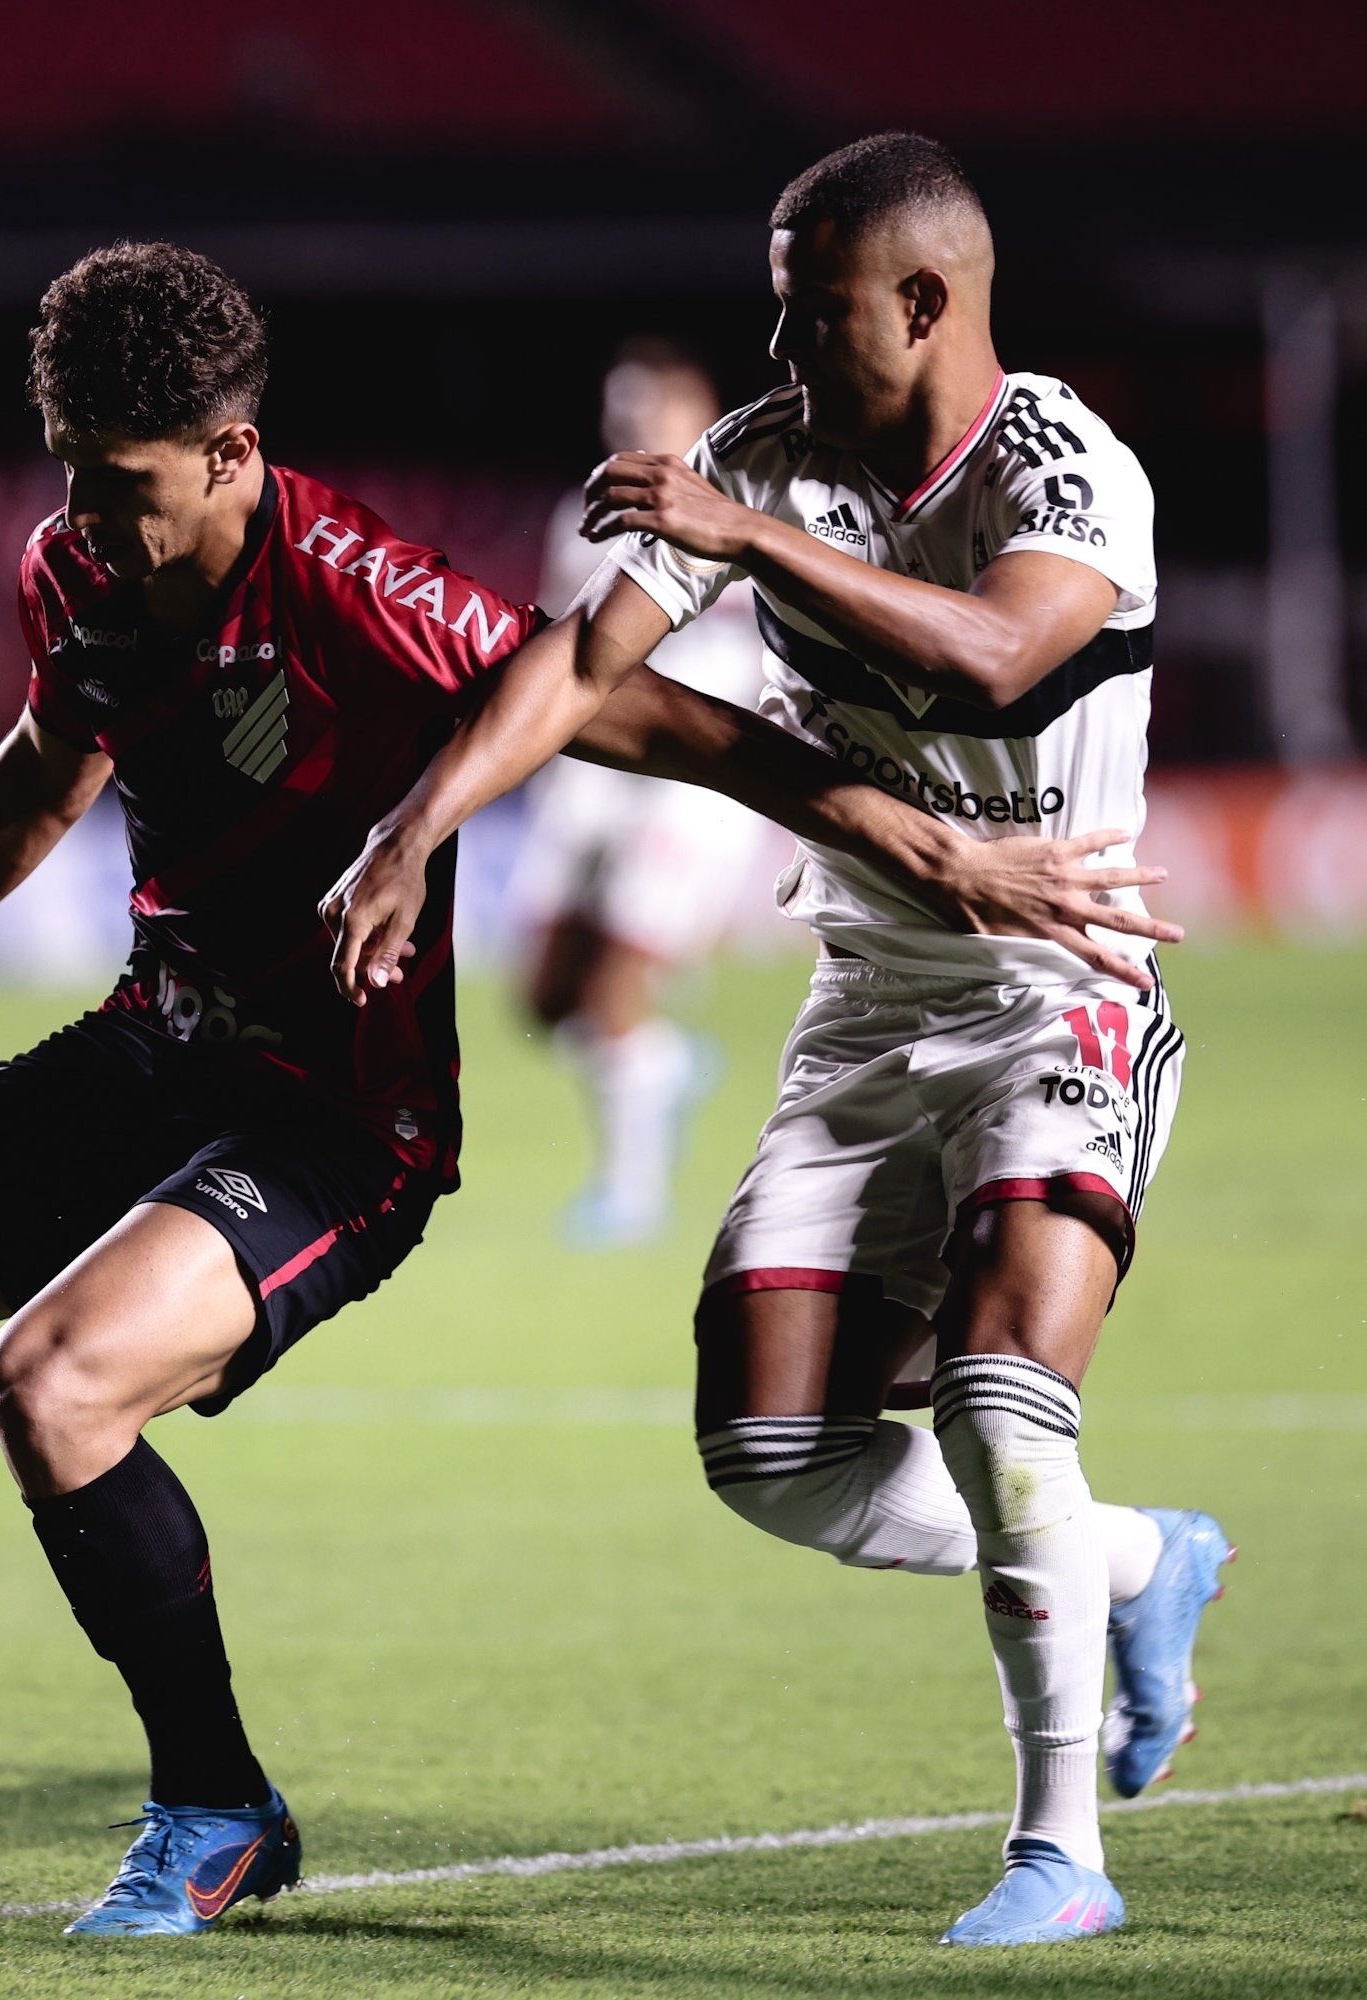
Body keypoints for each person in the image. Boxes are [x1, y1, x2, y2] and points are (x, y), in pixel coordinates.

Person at [0, 240, 1168, 1937]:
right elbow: (46, 756)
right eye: (81, 485)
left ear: (238, 459)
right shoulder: (74, 562)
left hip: (340, 1124)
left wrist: (920, 844)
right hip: (157, 1044)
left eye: (142, 493)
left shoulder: (355, 590)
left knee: (54, 1390)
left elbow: (631, 701)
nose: (107, 526)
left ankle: (216, 1808)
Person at [320, 135, 1223, 1949]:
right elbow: (582, 670)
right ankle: (1134, 1560)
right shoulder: (767, 449)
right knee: (766, 1454)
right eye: (775, 307)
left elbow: (991, 651)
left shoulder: (1060, 465)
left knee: (993, 1395)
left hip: (1062, 989)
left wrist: (746, 537)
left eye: (815, 311)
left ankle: (1060, 1856)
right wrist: (419, 826)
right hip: (864, 1012)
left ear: (924, 301)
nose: (784, 346)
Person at [506, 340, 769, 1245]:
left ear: (701, 418)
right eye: (623, 413)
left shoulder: (751, 509)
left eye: (655, 411)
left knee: (616, 977)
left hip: (691, 781)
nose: (635, 429)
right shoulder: (578, 515)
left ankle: (630, 1190)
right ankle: (659, 1066)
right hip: (588, 774)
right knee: (542, 998)